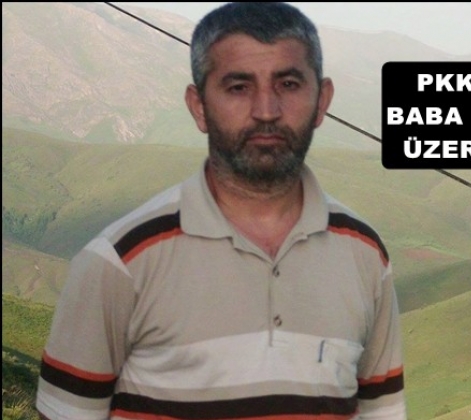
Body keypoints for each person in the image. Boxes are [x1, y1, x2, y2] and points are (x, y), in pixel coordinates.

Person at [35, 2, 406, 419]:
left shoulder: (364, 255)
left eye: (288, 84)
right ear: (199, 107)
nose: (266, 111)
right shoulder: (120, 262)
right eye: (238, 87)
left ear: (322, 101)